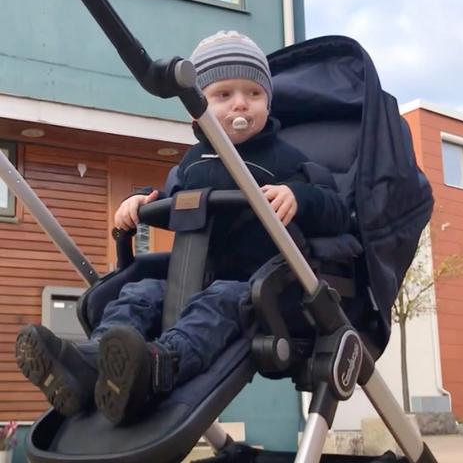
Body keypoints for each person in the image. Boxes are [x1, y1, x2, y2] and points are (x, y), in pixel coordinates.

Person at [16, 31, 350, 425]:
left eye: (254, 93)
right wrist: (142, 201)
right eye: (224, 94)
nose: (241, 103)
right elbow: (171, 201)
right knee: (139, 292)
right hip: (191, 278)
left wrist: (298, 197)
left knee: (218, 302)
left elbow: (335, 211)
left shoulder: (285, 159)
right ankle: (94, 361)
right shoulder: (193, 163)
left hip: (259, 288)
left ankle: (161, 365)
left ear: (268, 102)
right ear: (197, 110)